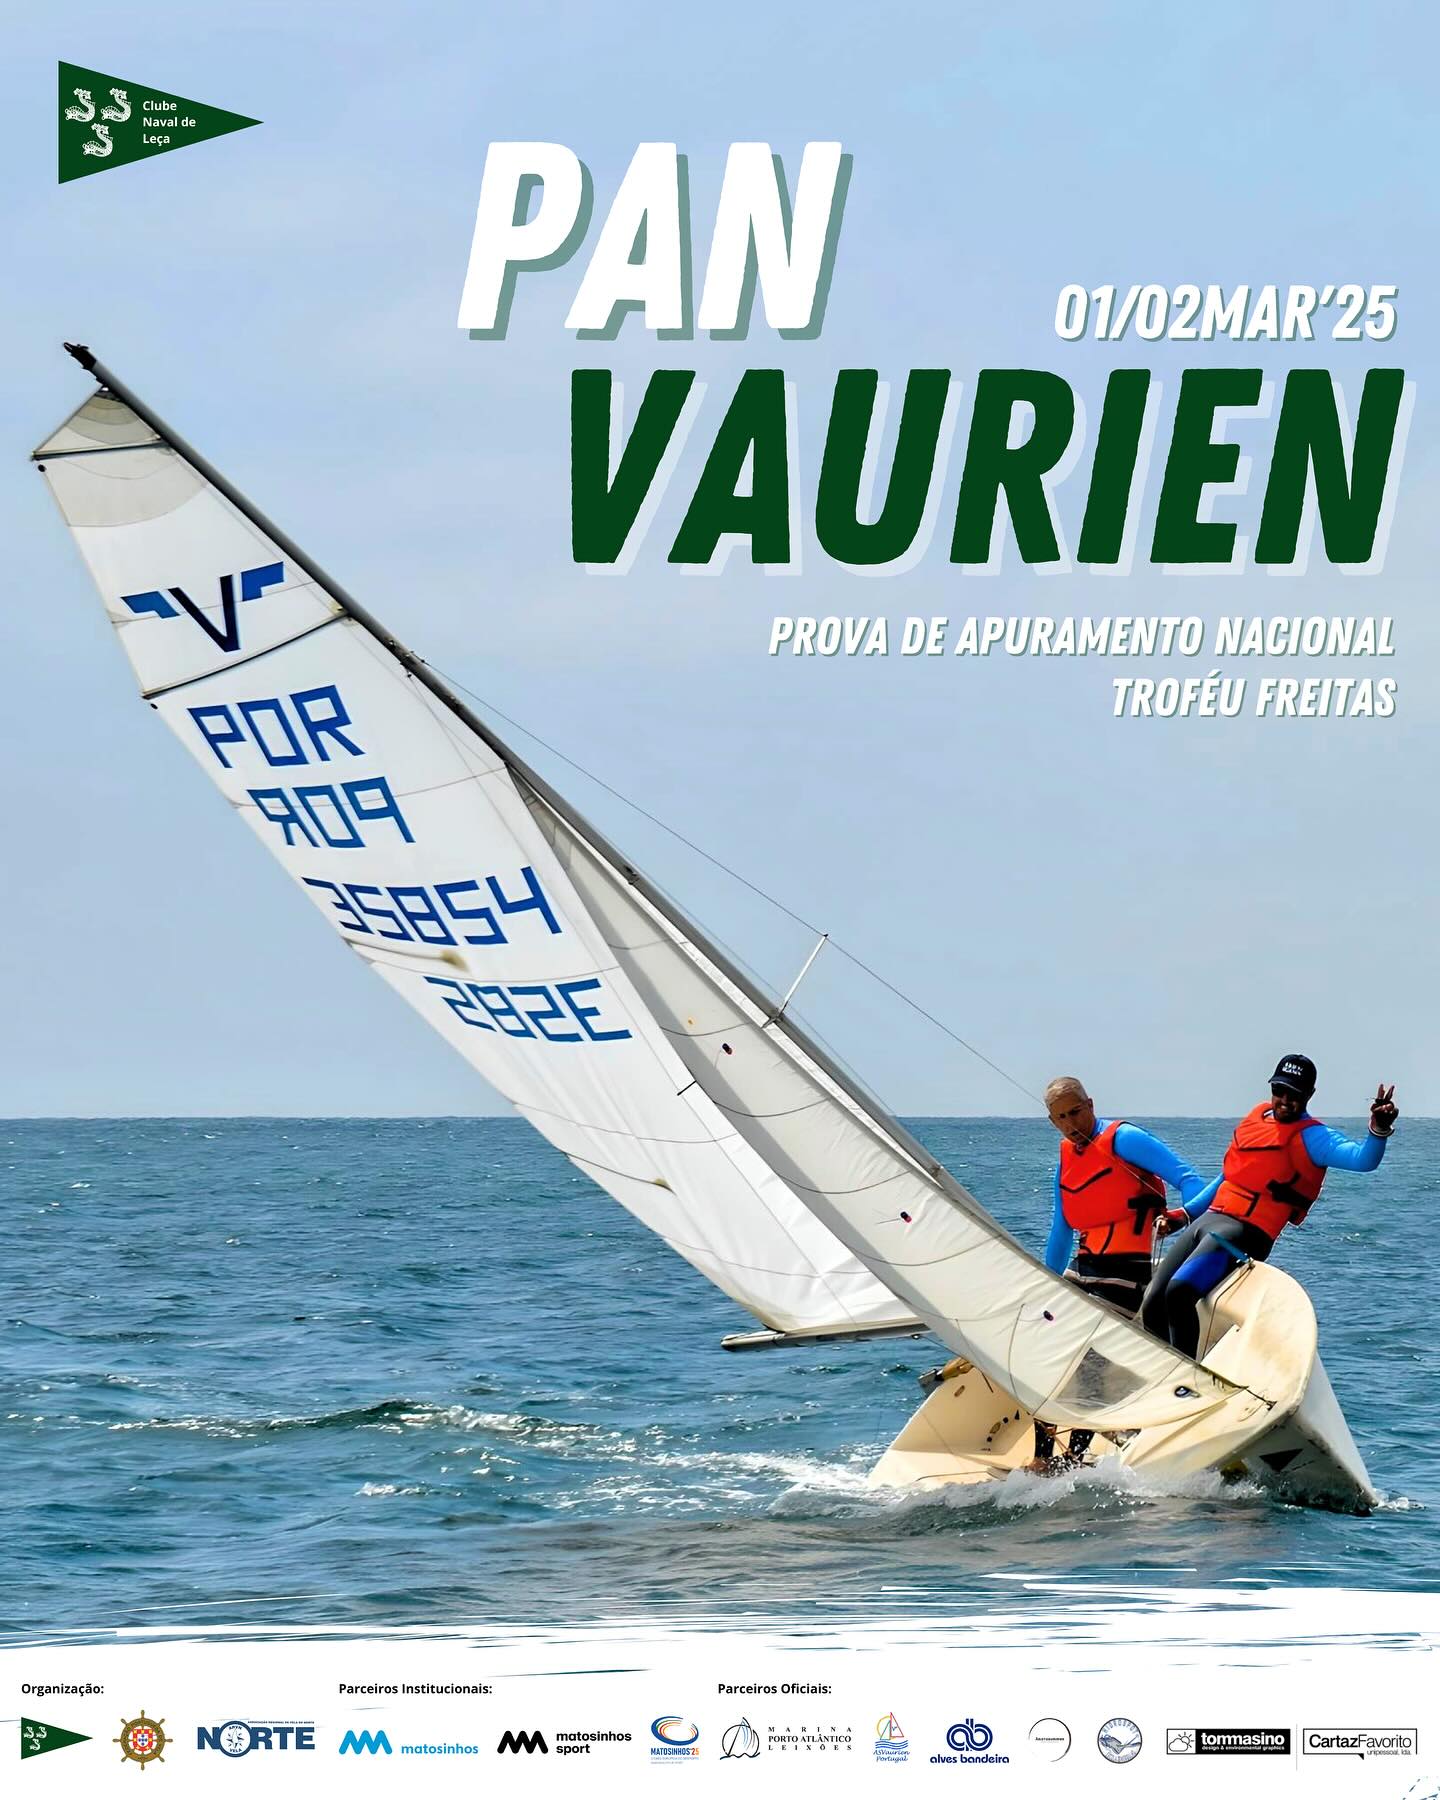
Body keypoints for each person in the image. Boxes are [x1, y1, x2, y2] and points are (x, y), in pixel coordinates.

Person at [1141, 1055, 1397, 1359]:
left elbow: (1363, 1160)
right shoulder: (1257, 1118)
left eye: (1294, 1094)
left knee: (1179, 1293)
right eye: (1279, 1090)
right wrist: (1184, 1215)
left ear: (1310, 1095)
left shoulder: (1314, 1137)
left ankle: (1185, 1376)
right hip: (1209, 1220)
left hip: (1245, 1232)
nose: (1285, 1100)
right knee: (1153, 1301)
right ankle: (1161, 1368)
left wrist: (1378, 1129)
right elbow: (1229, 1177)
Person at [1028, 1075, 1214, 1470]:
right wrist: (1046, 1282)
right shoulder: (1067, 1156)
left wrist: (1185, 1221)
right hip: (1082, 1269)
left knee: (1090, 1362)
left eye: (1076, 1112)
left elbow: (1191, 1180)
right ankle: (1042, 1459)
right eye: (1061, 1117)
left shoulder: (1125, 1139)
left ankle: (1073, 1459)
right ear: (1052, 1121)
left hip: (1126, 1272)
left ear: (1091, 1105)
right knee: (1044, 1353)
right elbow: (1061, 1228)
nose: (1071, 1124)